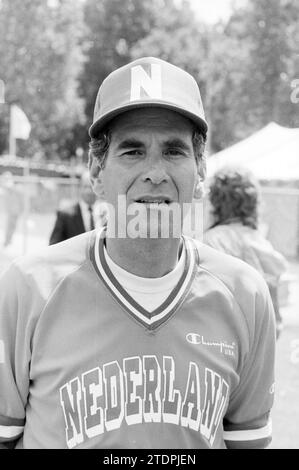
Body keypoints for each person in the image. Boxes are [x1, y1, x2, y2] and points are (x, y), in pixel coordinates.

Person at [0, 57, 275, 449]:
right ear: (96, 171)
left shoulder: (244, 295)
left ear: (200, 171)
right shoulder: (28, 289)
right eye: (132, 151)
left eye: (174, 151)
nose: (155, 172)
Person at [204, 167, 287, 338]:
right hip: (260, 331)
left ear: (215, 202)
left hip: (224, 334)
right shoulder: (259, 240)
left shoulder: (212, 240)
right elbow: (277, 277)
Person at [49, 170, 101, 245]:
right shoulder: (65, 215)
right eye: (86, 187)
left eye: (92, 187)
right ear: (80, 188)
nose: (89, 191)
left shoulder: (106, 215)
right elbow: (53, 246)